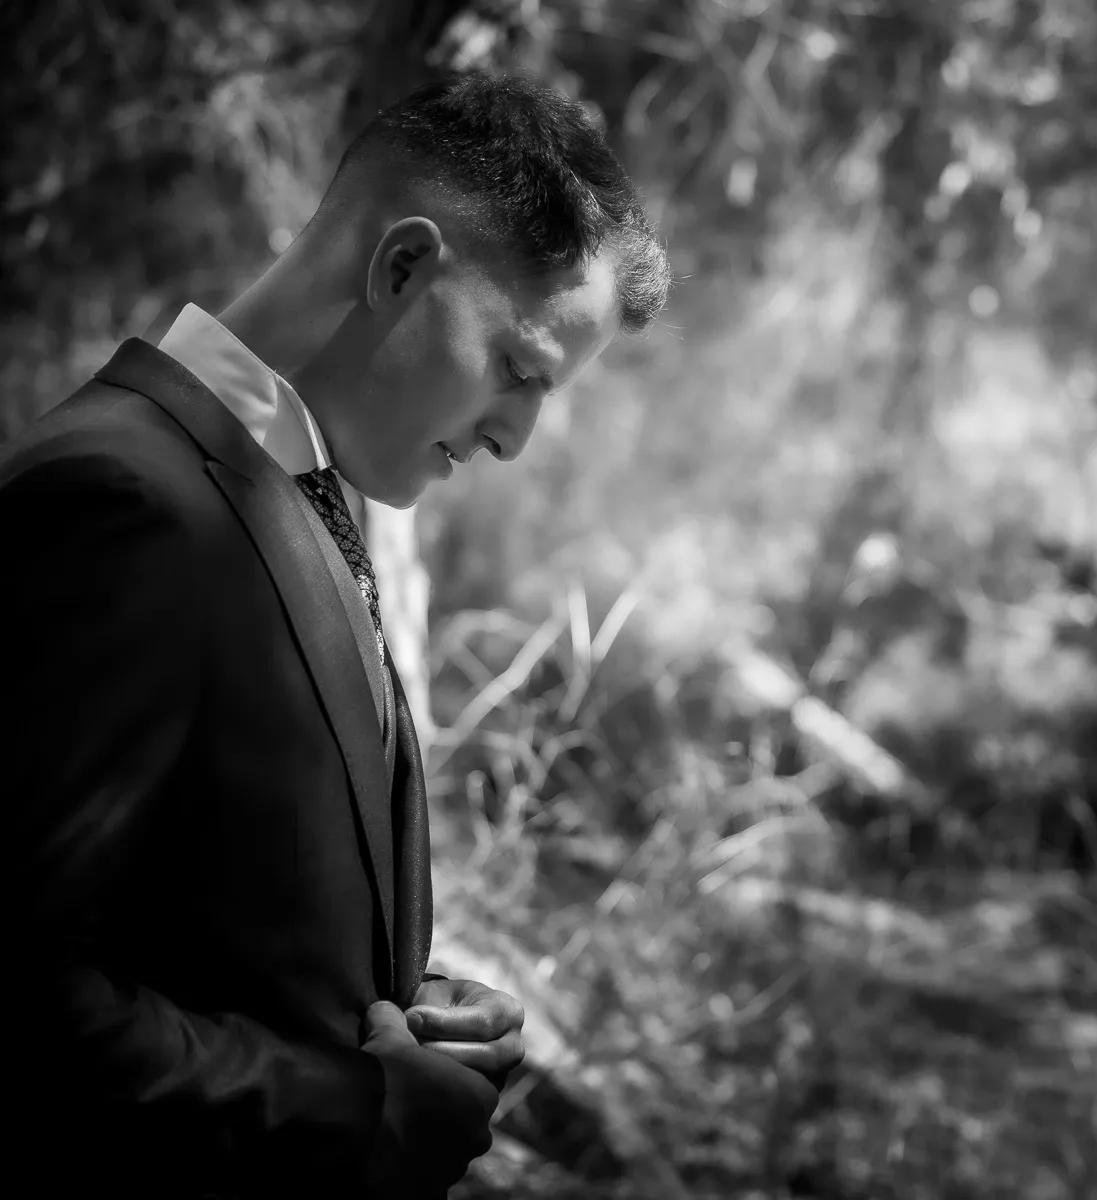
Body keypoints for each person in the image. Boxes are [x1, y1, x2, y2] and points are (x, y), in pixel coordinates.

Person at [2, 71, 670, 1196]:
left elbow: (210, 916)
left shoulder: (295, 492)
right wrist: (353, 1113)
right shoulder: (124, 503)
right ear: (401, 267)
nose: (514, 439)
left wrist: (412, 1015)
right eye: (518, 371)